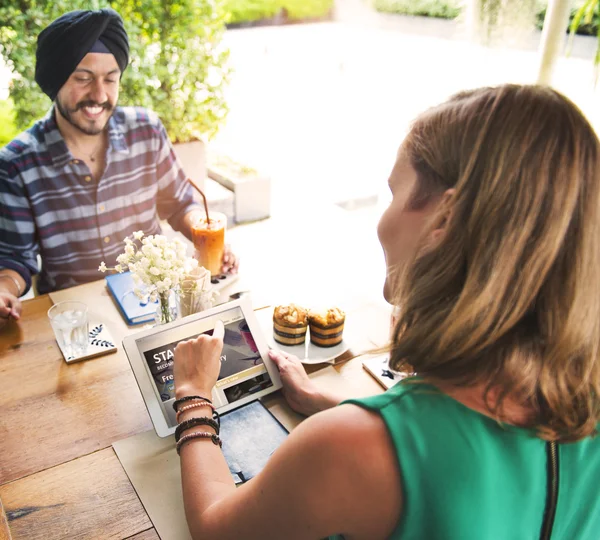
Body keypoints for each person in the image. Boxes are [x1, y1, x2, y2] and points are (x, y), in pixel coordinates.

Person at [172, 85, 600, 539]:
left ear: (444, 221)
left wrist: (193, 396)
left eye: (394, 192)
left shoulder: (346, 449)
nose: (383, 218)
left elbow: (215, 528)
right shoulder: (581, 402)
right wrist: (325, 404)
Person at [0, 8, 237, 330]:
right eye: (83, 79)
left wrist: (205, 233)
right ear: (56, 81)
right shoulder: (17, 163)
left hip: (157, 307)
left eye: (110, 79)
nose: (99, 95)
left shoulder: (146, 130)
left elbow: (180, 204)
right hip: (77, 320)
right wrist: (4, 289)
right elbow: (15, 258)